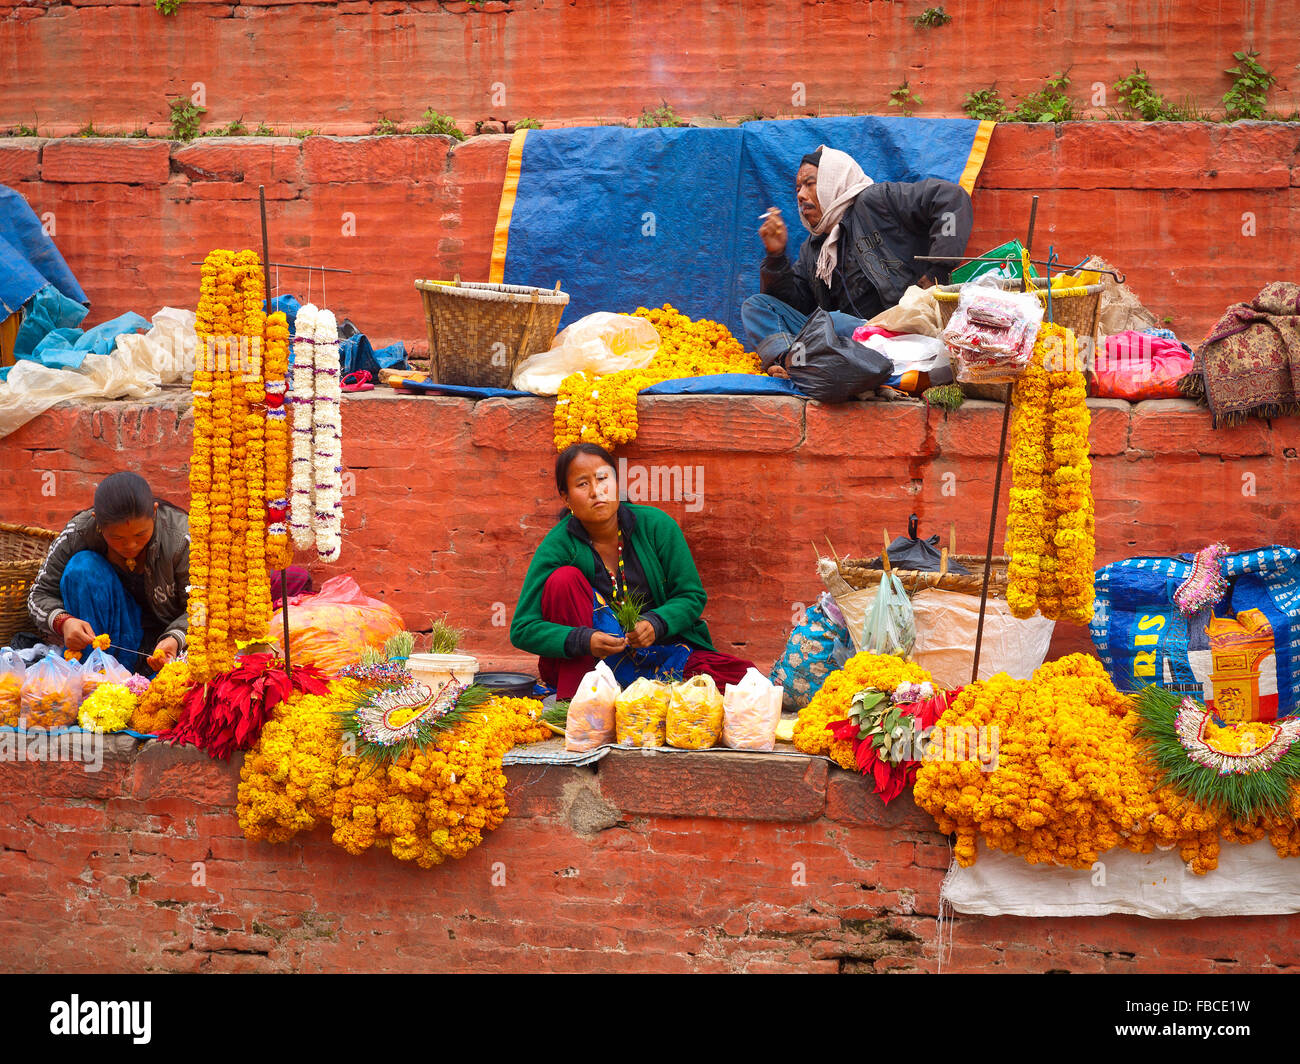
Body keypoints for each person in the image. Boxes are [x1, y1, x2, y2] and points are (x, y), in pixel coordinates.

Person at [511, 443, 755, 701]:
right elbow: (523, 628)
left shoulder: (657, 526)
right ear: (566, 497)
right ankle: (579, 701)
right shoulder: (558, 545)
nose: (596, 491)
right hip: (593, 665)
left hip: (661, 651)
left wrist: (656, 623)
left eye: (603, 478)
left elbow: (691, 595)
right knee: (563, 579)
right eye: (582, 484)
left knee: (744, 680)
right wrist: (583, 639)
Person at [742, 145, 974, 375]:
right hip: (850, 340)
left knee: (830, 322)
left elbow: (950, 198)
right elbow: (795, 307)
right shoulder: (814, 249)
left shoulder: (876, 202)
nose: (801, 195)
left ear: (833, 180)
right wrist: (775, 258)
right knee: (757, 305)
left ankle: (810, 363)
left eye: (810, 184)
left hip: (901, 332)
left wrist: (939, 268)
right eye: (798, 189)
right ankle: (791, 361)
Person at [27, 472, 189, 675]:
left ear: (154, 513)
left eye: (140, 534)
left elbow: (203, 606)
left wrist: (175, 637)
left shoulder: (180, 539)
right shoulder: (78, 532)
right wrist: (64, 622)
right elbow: (38, 595)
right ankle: (96, 676)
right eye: (117, 537)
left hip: (166, 646)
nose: (130, 545)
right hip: (108, 637)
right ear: (98, 523)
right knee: (82, 567)